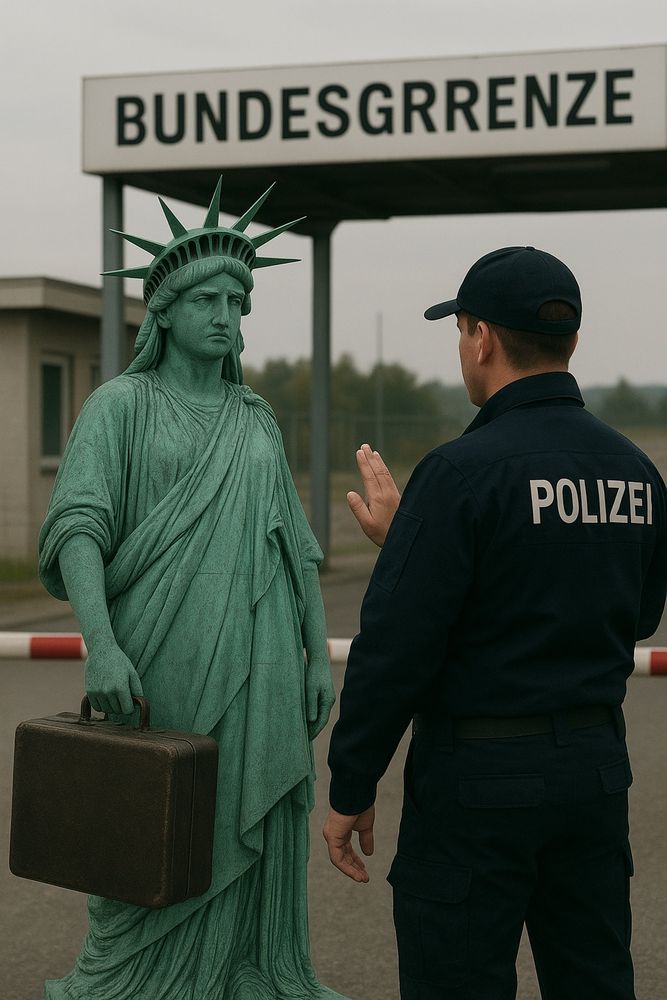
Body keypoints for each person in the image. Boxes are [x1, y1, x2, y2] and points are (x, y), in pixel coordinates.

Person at [323, 246, 667, 1000]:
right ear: (569, 342)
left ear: (479, 337)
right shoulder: (633, 471)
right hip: (592, 777)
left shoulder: (458, 472)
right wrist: (418, 544)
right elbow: (637, 614)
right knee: (593, 981)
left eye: (460, 331)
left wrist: (352, 782)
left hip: (474, 787)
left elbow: (395, 649)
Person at [38, 179, 346, 1000]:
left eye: (237, 301)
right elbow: (77, 528)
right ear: (163, 311)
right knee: (156, 814)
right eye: (206, 298)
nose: (225, 315)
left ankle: (249, 969)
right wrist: (100, 642)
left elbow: (295, 552)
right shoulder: (119, 406)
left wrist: (317, 656)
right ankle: (135, 980)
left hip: (264, 657)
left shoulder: (255, 417)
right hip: (156, 651)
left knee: (247, 813)